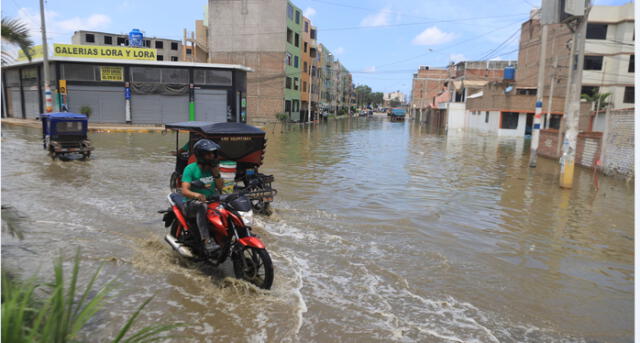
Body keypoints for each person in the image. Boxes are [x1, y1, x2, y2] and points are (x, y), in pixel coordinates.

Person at [181, 139, 225, 255]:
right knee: (202, 206)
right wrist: (197, 195)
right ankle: (206, 241)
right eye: (208, 154)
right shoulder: (190, 169)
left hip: (210, 201)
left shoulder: (213, 169)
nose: (212, 156)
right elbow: (184, 190)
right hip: (191, 203)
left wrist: (216, 173)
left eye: (213, 153)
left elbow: (221, 188)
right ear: (200, 155)